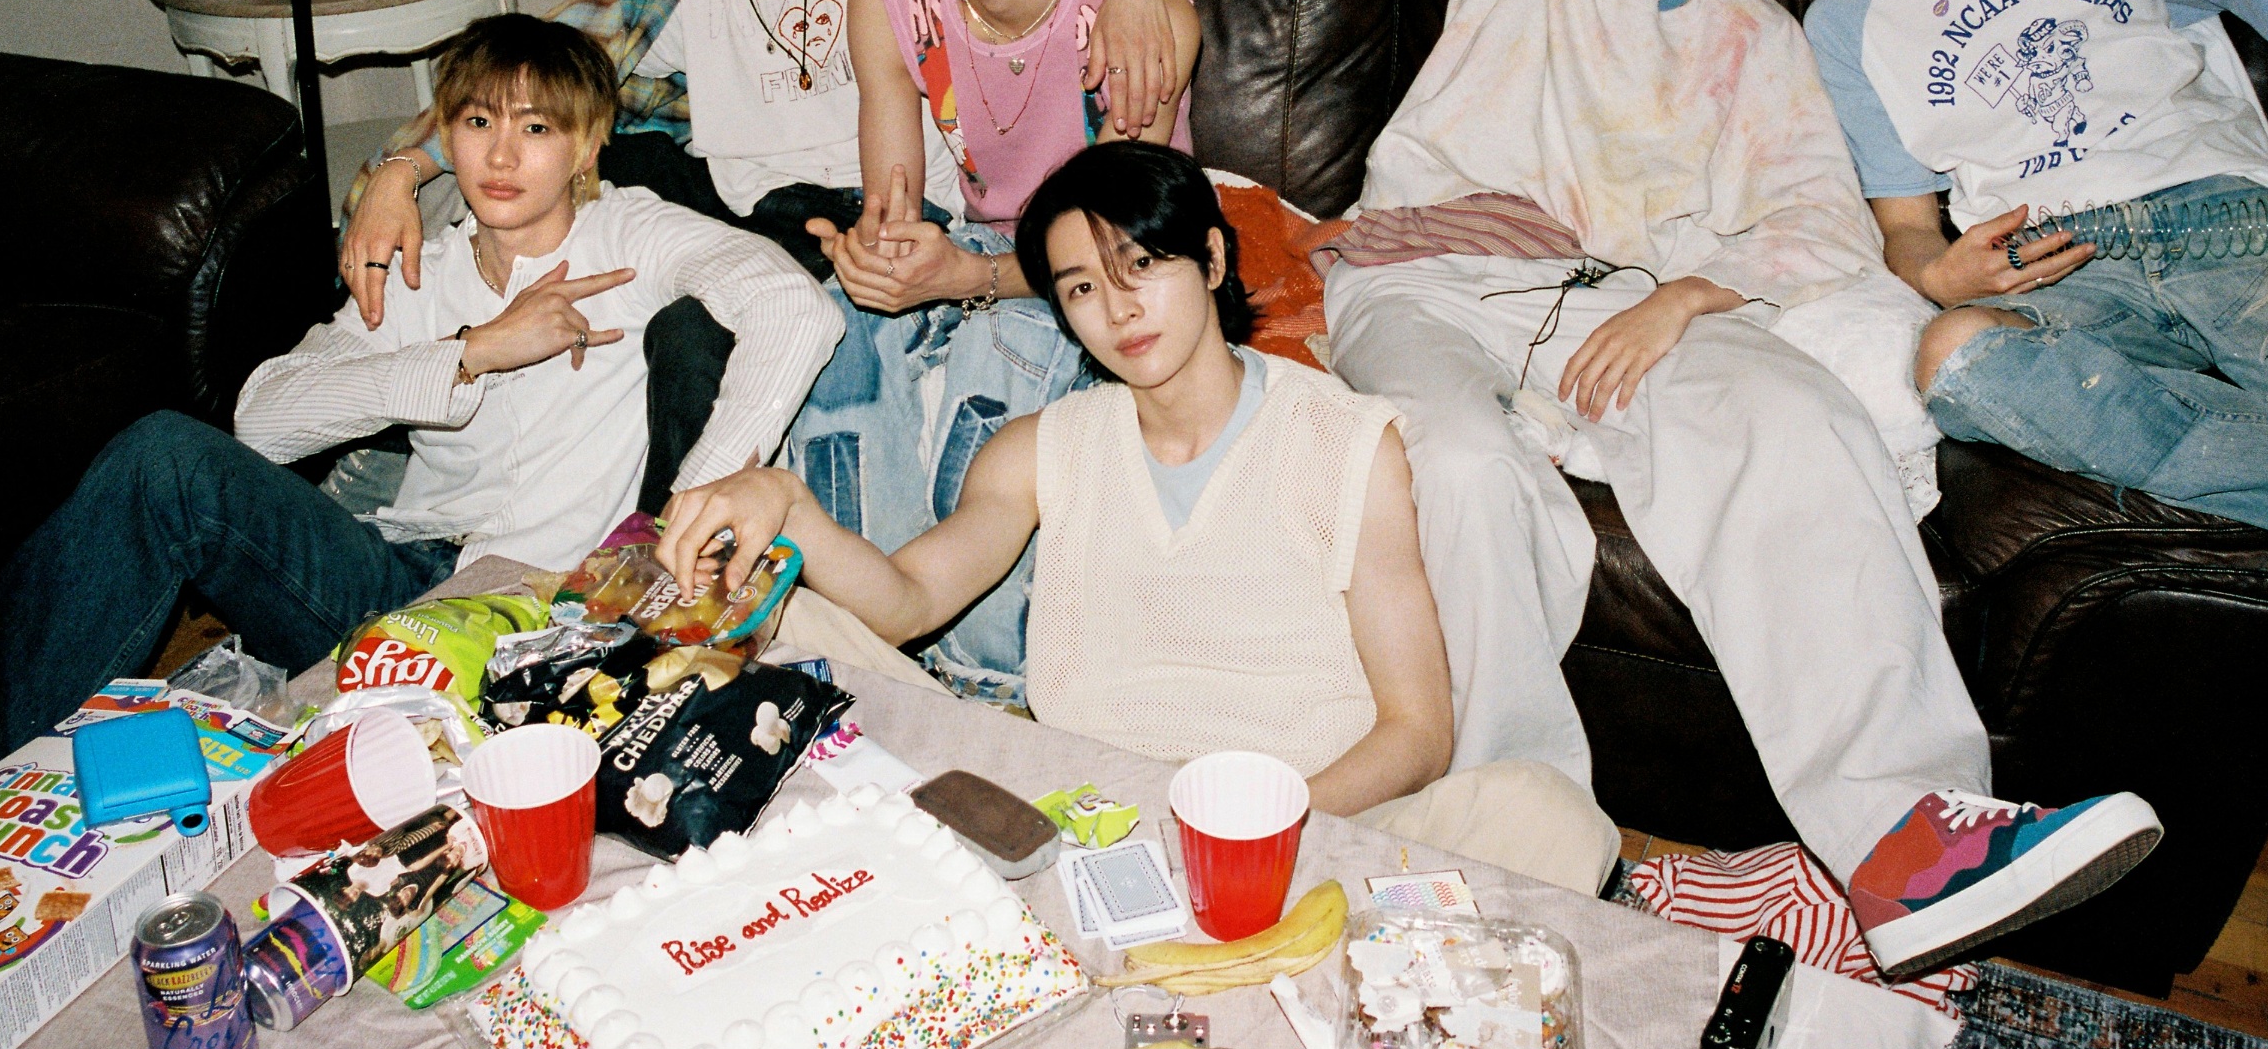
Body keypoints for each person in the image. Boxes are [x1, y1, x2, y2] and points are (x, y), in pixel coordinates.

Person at [1319, 0, 2159, 981]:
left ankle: (1916, 845)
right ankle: (1521, 849)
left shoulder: (1761, 41)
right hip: (1429, 270)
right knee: (1461, 465)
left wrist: (1686, 295)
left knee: (1798, 415)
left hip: (1621, 305)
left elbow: (1823, 222)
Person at [1804, 0, 2268, 1042]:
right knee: (1952, 356)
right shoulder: (1848, 17)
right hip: (2057, 275)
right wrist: (1938, 270)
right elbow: (1906, 233)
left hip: (2239, 230)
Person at [657, 143, 1626, 894]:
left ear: (1211, 258)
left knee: (1551, 819)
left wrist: (1249, 825)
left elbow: (1416, 730)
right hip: (1079, 816)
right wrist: (788, 503)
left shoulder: (1346, 442)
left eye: (1141, 264)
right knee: (794, 619)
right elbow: (907, 602)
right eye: (1081, 287)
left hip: (1300, 821)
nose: (1117, 309)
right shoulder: (1040, 449)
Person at [334, 0, 1183, 507]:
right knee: (538, 178)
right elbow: (539, 69)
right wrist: (399, 172)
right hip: (745, 203)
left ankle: (663, 549)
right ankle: (405, 424)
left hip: (862, 204)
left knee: (689, 333)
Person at [0, 15, 840, 767]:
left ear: (584, 145)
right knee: (164, 457)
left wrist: (699, 500)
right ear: (446, 137)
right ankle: (1, 772)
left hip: (525, 617)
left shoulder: (630, 234)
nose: (501, 154)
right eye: (478, 121)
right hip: (394, 579)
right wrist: (470, 353)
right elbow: (261, 419)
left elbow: (792, 308)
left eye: (536, 128)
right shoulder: (424, 269)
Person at [786, 0, 1202, 704]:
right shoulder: (890, 3)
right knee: (834, 334)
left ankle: (987, 681)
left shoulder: (1138, 21)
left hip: (1117, 257)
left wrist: (966, 281)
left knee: (1000, 370)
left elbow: (1114, 251)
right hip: (986, 242)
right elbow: (894, 203)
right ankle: (859, 639)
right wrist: (880, 261)